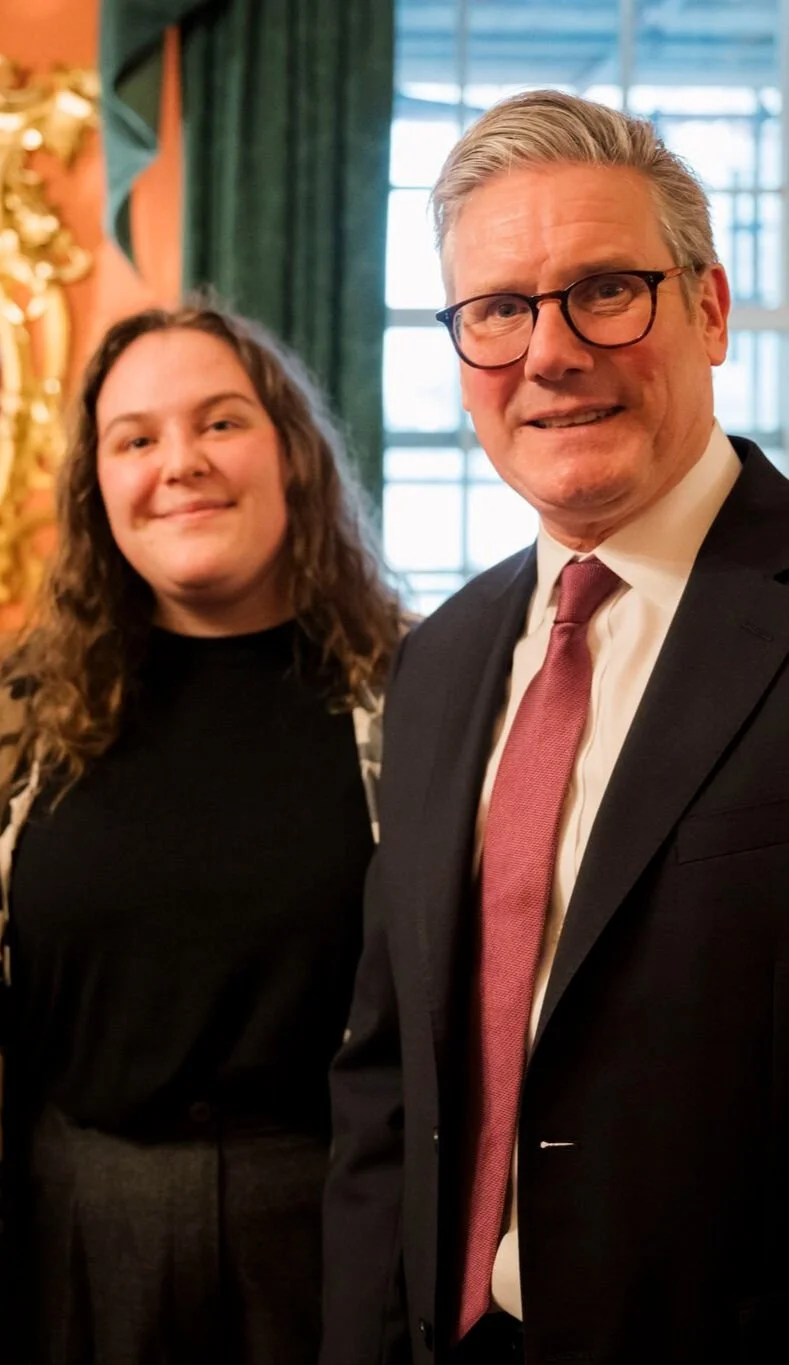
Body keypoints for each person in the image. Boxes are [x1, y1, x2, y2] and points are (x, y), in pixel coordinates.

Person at [321, 88, 789, 1365]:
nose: (550, 352)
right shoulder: (441, 659)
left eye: (605, 290)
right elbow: (387, 1086)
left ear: (707, 310)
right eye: (499, 312)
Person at [0, 302, 403, 1365]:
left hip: (339, 1232)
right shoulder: (15, 716)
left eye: (222, 423)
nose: (179, 463)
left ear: (294, 455)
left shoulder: (419, 698)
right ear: (99, 488)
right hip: (72, 1243)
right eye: (136, 438)